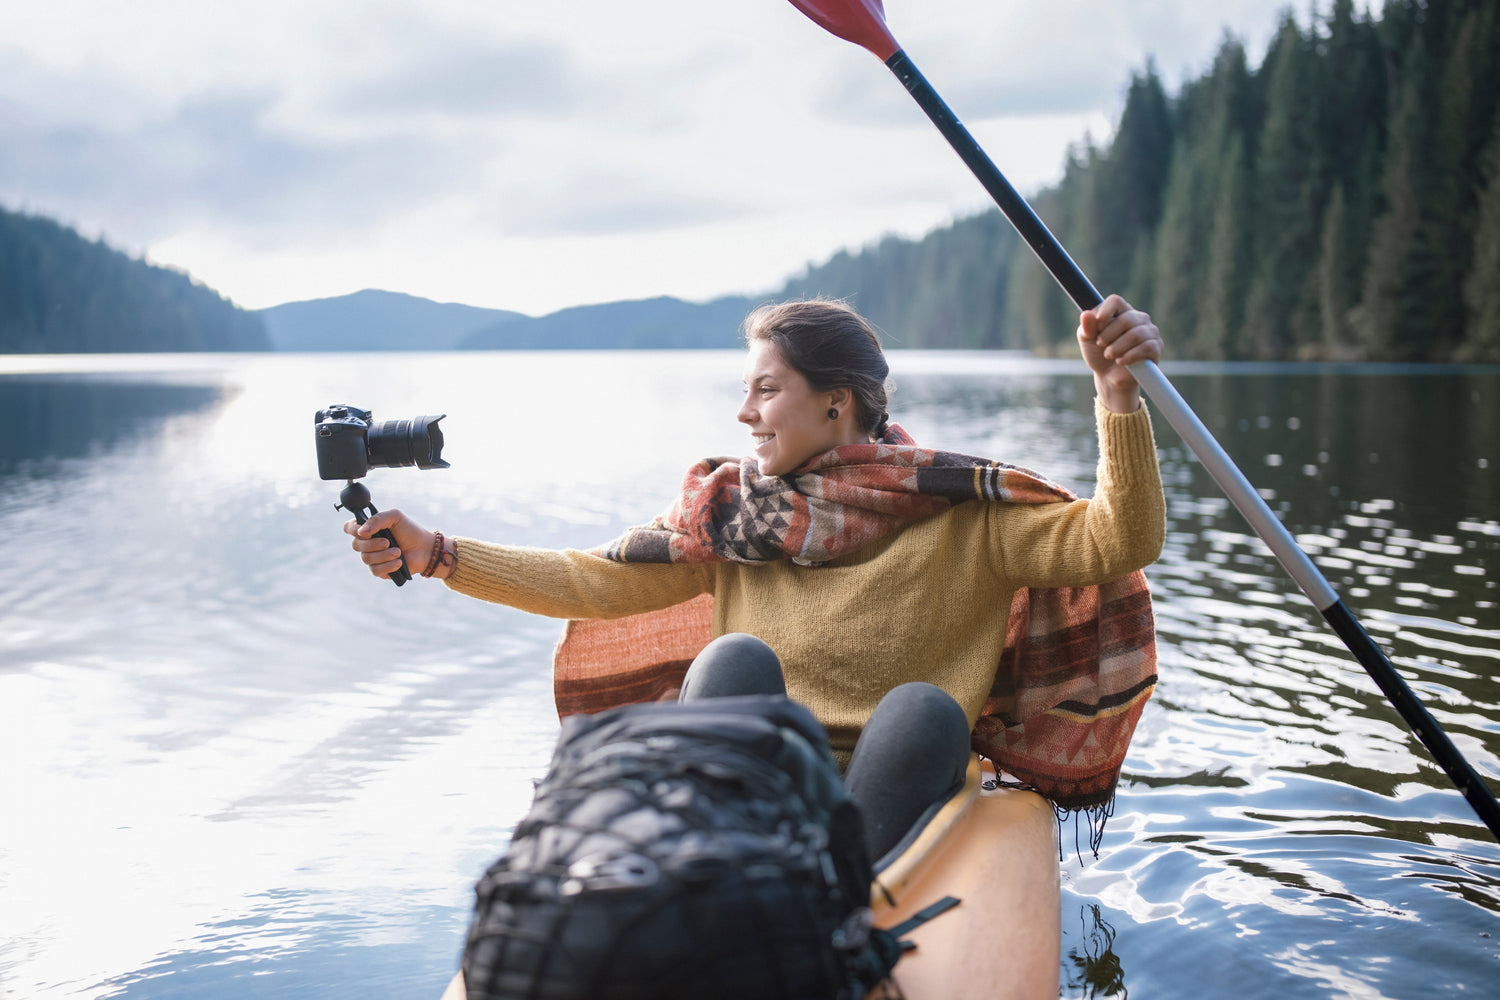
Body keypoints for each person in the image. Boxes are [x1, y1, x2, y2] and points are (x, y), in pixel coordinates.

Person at [346, 294, 1166, 860]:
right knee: (732, 660)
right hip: (759, 795)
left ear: (838, 403)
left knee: (922, 711)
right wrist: (437, 553)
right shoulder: (732, 518)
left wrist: (1116, 395)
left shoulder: (967, 512)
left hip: (900, 797)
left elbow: (1119, 538)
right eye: (745, 391)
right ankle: (724, 878)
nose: (744, 415)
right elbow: (591, 579)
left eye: (766, 389)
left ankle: (833, 904)